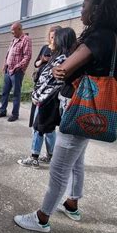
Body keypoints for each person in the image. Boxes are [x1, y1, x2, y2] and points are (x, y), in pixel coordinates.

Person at [14, 0, 117, 233]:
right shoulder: (114, 38)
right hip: (94, 111)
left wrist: (59, 69)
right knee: (77, 159)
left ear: (98, 9)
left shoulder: (98, 36)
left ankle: (41, 218)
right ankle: (71, 203)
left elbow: (63, 68)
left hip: (80, 107)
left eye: (84, 6)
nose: (81, 12)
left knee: (59, 168)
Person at [18, 27, 77, 168]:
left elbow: (48, 82)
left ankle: (34, 157)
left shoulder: (61, 59)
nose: (52, 40)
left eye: (55, 38)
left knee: (38, 127)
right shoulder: (62, 56)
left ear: (61, 40)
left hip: (47, 98)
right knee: (48, 128)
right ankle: (51, 155)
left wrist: (36, 96)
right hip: (50, 98)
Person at [0, 22, 32, 122]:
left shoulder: (26, 39)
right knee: (4, 92)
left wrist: (17, 67)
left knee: (16, 93)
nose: (11, 32)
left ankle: (15, 114)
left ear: (19, 29)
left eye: (13, 30)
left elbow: (27, 57)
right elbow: (9, 54)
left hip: (17, 72)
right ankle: (3, 111)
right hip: (8, 70)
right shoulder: (13, 39)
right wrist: (5, 64)